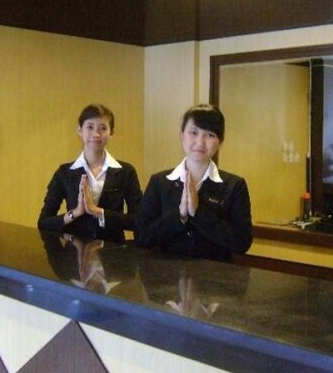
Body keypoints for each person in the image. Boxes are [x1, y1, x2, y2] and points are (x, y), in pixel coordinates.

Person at [135, 104, 252, 261]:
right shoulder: (159, 182)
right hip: (166, 275)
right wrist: (180, 216)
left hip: (215, 275)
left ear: (220, 141)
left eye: (210, 135)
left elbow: (242, 243)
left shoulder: (234, 186)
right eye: (193, 132)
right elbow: (142, 237)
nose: (200, 141)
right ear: (181, 135)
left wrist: (198, 213)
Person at [38, 104, 142, 243]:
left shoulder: (126, 172)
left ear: (111, 133)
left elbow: (139, 220)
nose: (96, 134)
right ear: (80, 130)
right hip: (75, 252)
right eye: (90, 127)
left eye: (103, 128)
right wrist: (76, 212)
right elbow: (44, 222)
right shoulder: (64, 172)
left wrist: (98, 212)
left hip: (113, 252)